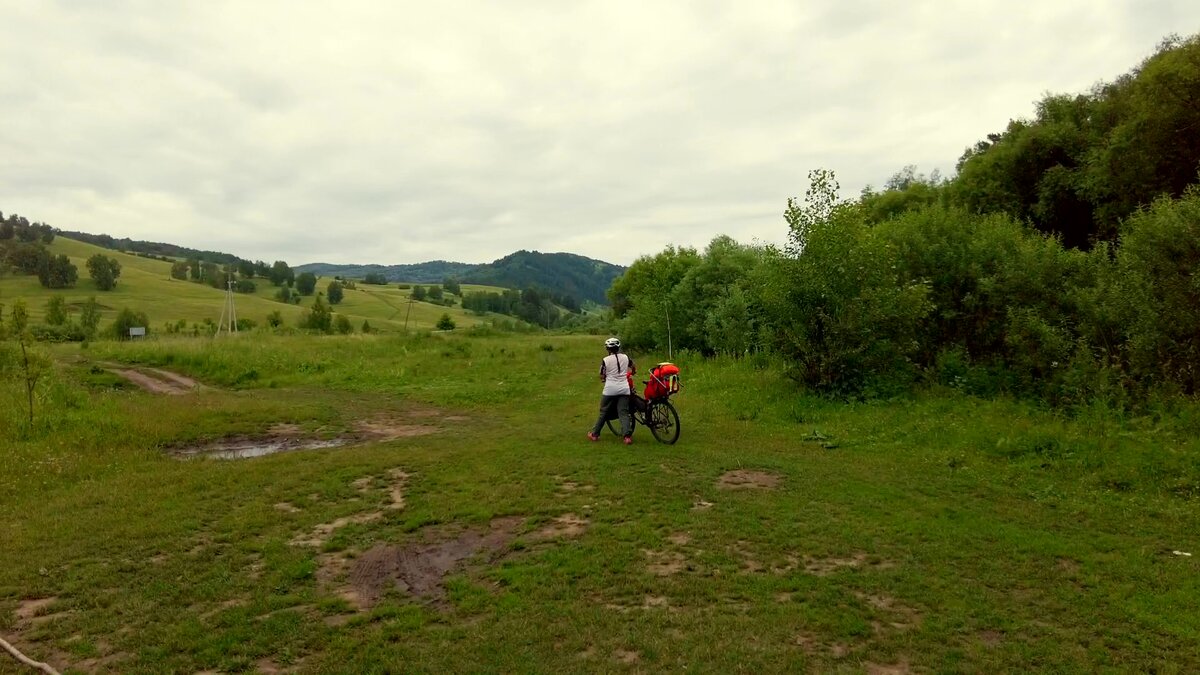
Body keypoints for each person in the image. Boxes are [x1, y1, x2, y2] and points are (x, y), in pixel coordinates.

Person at [588, 337, 636, 444]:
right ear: (618, 348)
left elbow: (601, 375)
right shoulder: (625, 357)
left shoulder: (606, 360)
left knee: (603, 411)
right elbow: (633, 367)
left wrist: (604, 378)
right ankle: (627, 437)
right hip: (624, 388)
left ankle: (595, 434)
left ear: (607, 349)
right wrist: (633, 372)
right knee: (623, 412)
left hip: (610, 390)